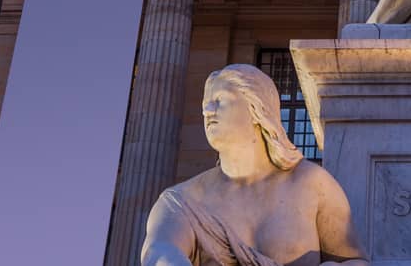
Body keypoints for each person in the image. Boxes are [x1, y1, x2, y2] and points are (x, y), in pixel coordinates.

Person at [141, 65, 369, 266]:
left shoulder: (312, 185)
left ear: (257, 108)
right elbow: (159, 251)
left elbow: (354, 261)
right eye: (205, 104)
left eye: (220, 99)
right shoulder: (181, 201)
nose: (207, 110)